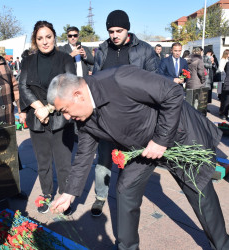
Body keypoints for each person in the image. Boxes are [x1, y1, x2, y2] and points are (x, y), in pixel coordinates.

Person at [48, 66, 229, 250]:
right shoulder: (84, 118)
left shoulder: (120, 78)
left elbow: (173, 93)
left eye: (65, 110)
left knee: (199, 192)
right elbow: (84, 154)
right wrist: (69, 193)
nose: (67, 117)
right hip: (141, 149)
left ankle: (222, 246)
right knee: (125, 189)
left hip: (177, 135)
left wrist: (161, 140)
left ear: (79, 95)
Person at [90, 9, 159, 217]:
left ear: (127, 29)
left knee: (129, 162)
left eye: (119, 30)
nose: (114, 35)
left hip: (133, 119)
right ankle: (100, 197)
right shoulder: (102, 50)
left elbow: (154, 85)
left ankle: (126, 197)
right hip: (106, 119)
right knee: (103, 160)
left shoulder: (145, 50)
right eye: (111, 31)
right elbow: (94, 82)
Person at [18, 20, 76, 214]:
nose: (45, 42)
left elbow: (70, 86)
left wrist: (49, 108)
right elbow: (23, 87)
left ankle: (64, 197)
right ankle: (46, 193)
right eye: (40, 38)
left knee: (63, 163)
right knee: (43, 162)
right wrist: (39, 108)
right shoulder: (27, 61)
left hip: (60, 118)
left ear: (54, 37)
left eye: (48, 37)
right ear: (35, 40)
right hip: (37, 119)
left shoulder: (65, 58)